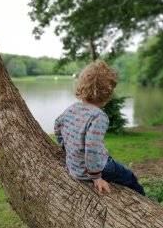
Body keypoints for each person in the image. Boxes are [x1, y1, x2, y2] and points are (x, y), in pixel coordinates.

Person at [54, 60, 145, 196]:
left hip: (73, 167)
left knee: (110, 160)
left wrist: (66, 148)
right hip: (91, 170)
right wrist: (96, 176)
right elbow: (92, 149)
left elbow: (57, 126)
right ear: (108, 93)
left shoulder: (71, 109)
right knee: (129, 176)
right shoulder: (98, 117)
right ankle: (144, 197)